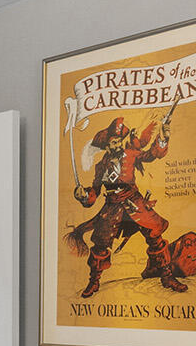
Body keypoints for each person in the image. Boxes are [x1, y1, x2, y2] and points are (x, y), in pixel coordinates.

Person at [69, 113, 187, 297]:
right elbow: (94, 194)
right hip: (112, 208)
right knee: (100, 244)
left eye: (118, 141)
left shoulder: (131, 153)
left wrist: (162, 138)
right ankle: (94, 282)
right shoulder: (100, 166)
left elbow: (151, 155)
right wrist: (83, 195)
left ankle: (167, 276)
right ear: (106, 146)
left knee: (154, 236)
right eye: (113, 142)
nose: (117, 144)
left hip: (135, 202)